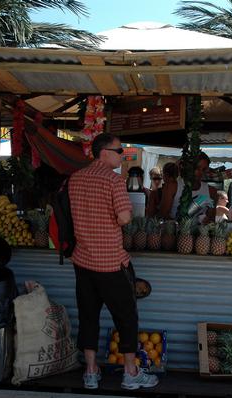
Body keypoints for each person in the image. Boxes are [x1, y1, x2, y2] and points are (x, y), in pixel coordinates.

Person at [69, 133, 159, 391]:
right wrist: (126, 213)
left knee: (88, 316)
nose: (123, 155)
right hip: (110, 262)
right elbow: (123, 218)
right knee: (126, 317)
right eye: (119, 151)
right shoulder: (113, 180)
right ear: (104, 152)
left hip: (83, 260)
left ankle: (90, 371)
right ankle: (130, 373)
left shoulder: (75, 178)